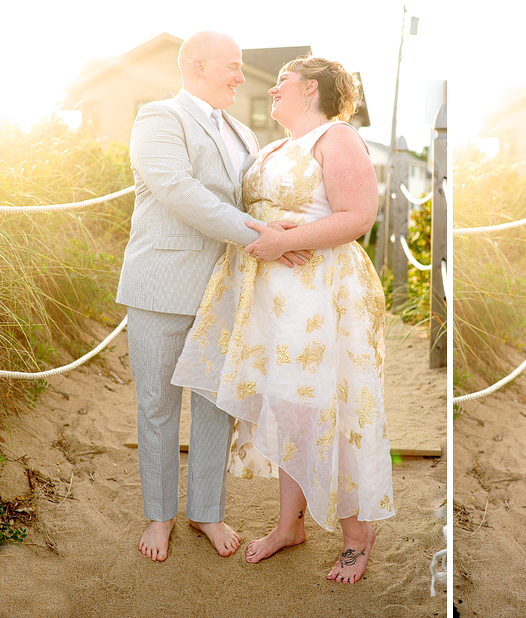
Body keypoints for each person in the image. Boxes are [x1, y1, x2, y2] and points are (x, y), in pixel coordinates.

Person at [172, 55, 394, 584]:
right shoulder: (271, 147)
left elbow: (358, 217)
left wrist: (286, 241)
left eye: (282, 83)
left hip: (324, 296)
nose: (271, 90)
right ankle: (289, 525)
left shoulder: (337, 138)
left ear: (311, 89)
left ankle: (356, 539)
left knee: (336, 406)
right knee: (292, 407)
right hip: (272, 299)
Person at [118, 30, 306, 562]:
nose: (242, 77)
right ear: (197, 66)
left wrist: (284, 227)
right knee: (156, 406)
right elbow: (179, 191)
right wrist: (259, 236)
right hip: (160, 287)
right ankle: (160, 517)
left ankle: (207, 511)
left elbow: (251, 197)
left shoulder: (244, 132)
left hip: (225, 293)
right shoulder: (159, 118)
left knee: (214, 407)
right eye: (234, 66)